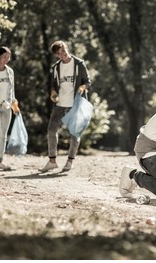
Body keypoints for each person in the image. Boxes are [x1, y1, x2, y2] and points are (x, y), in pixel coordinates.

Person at [39, 40, 91, 172]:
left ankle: (70, 161)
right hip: (60, 103)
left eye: (63, 51)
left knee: (74, 133)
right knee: (51, 130)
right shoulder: (56, 67)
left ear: (66, 48)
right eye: (59, 54)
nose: (63, 55)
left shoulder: (79, 64)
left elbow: (88, 82)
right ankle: (52, 161)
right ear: (57, 55)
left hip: (75, 104)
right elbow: (53, 83)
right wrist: (53, 92)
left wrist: (83, 87)